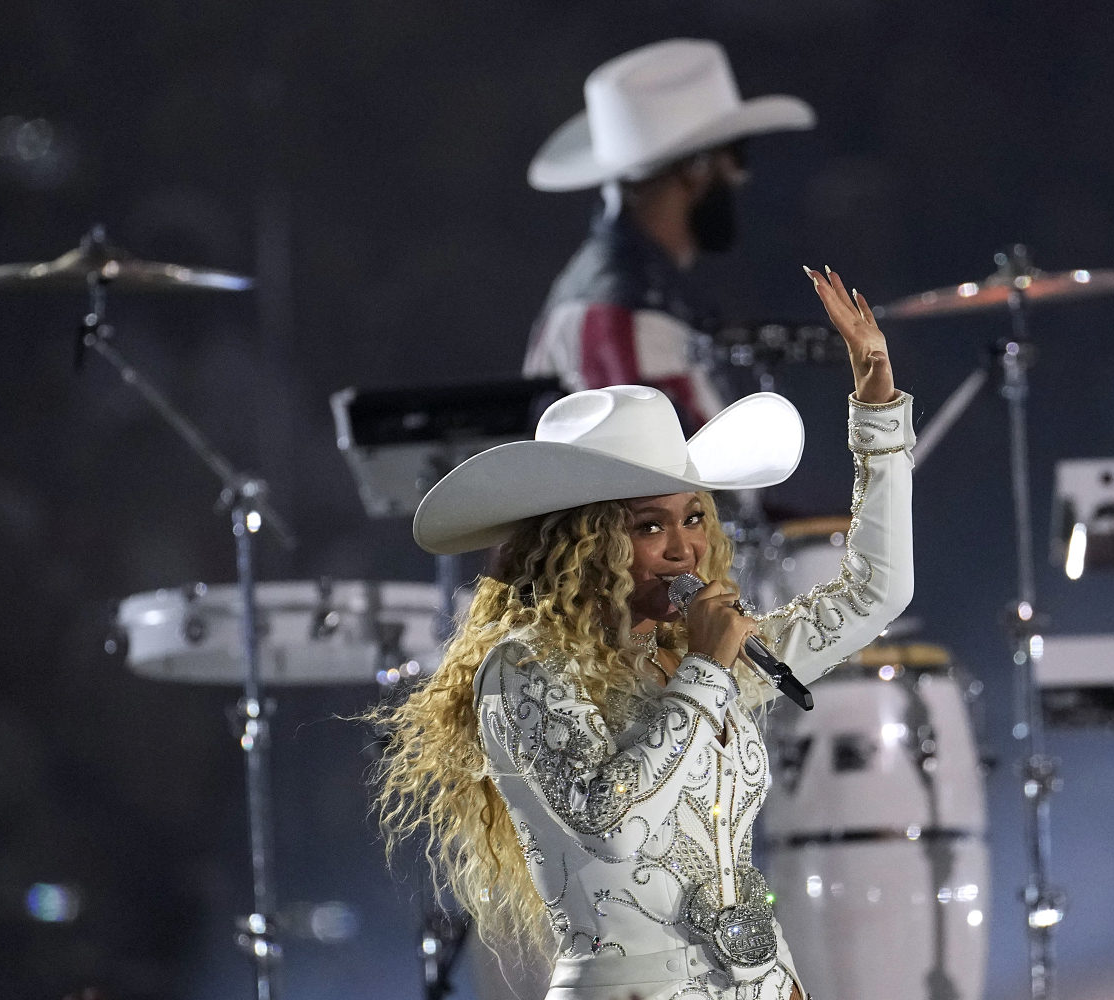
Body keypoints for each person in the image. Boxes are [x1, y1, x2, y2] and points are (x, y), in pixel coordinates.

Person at [366, 267, 913, 1000]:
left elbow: (877, 590)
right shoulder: (524, 667)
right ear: (583, 545)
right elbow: (608, 823)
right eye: (649, 526)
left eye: (693, 517)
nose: (686, 548)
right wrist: (708, 676)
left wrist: (876, 404)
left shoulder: (702, 652)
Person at [522, 38, 816, 432]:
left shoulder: (624, 295)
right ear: (695, 169)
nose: (740, 178)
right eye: (736, 155)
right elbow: (668, 484)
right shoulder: (626, 315)